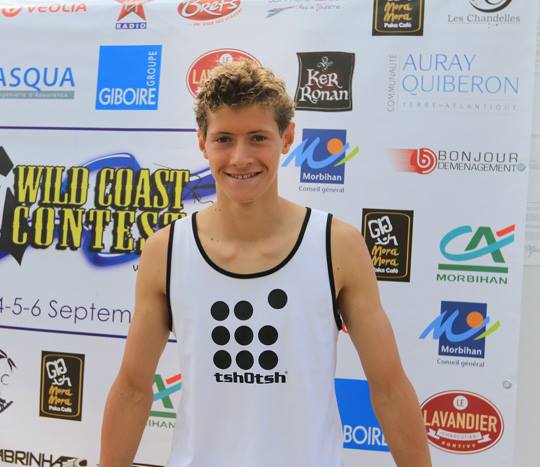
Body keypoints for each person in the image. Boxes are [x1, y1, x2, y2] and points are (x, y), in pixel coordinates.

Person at [100, 60, 431, 467]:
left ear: (287, 138)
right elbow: (133, 389)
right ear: (202, 142)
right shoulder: (166, 250)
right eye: (224, 139)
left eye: (258, 138)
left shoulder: (336, 245)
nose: (240, 158)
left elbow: (390, 389)